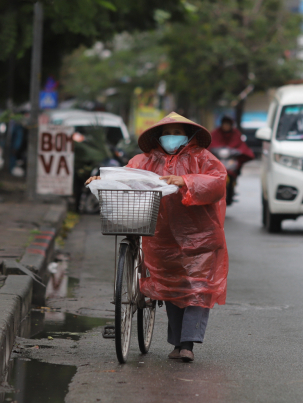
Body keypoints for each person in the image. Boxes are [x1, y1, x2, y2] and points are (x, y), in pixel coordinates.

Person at [87, 112, 228, 363]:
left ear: (189, 135)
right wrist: (102, 179)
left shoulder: (204, 158)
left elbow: (217, 183)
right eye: (167, 133)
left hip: (200, 237)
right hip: (162, 237)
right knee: (172, 287)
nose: (171, 138)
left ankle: (187, 344)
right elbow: (127, 176)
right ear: (158, 136)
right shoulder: (145, 160)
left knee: (197, 286)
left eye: (177, 133)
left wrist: (186, 180)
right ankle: (178, 343)